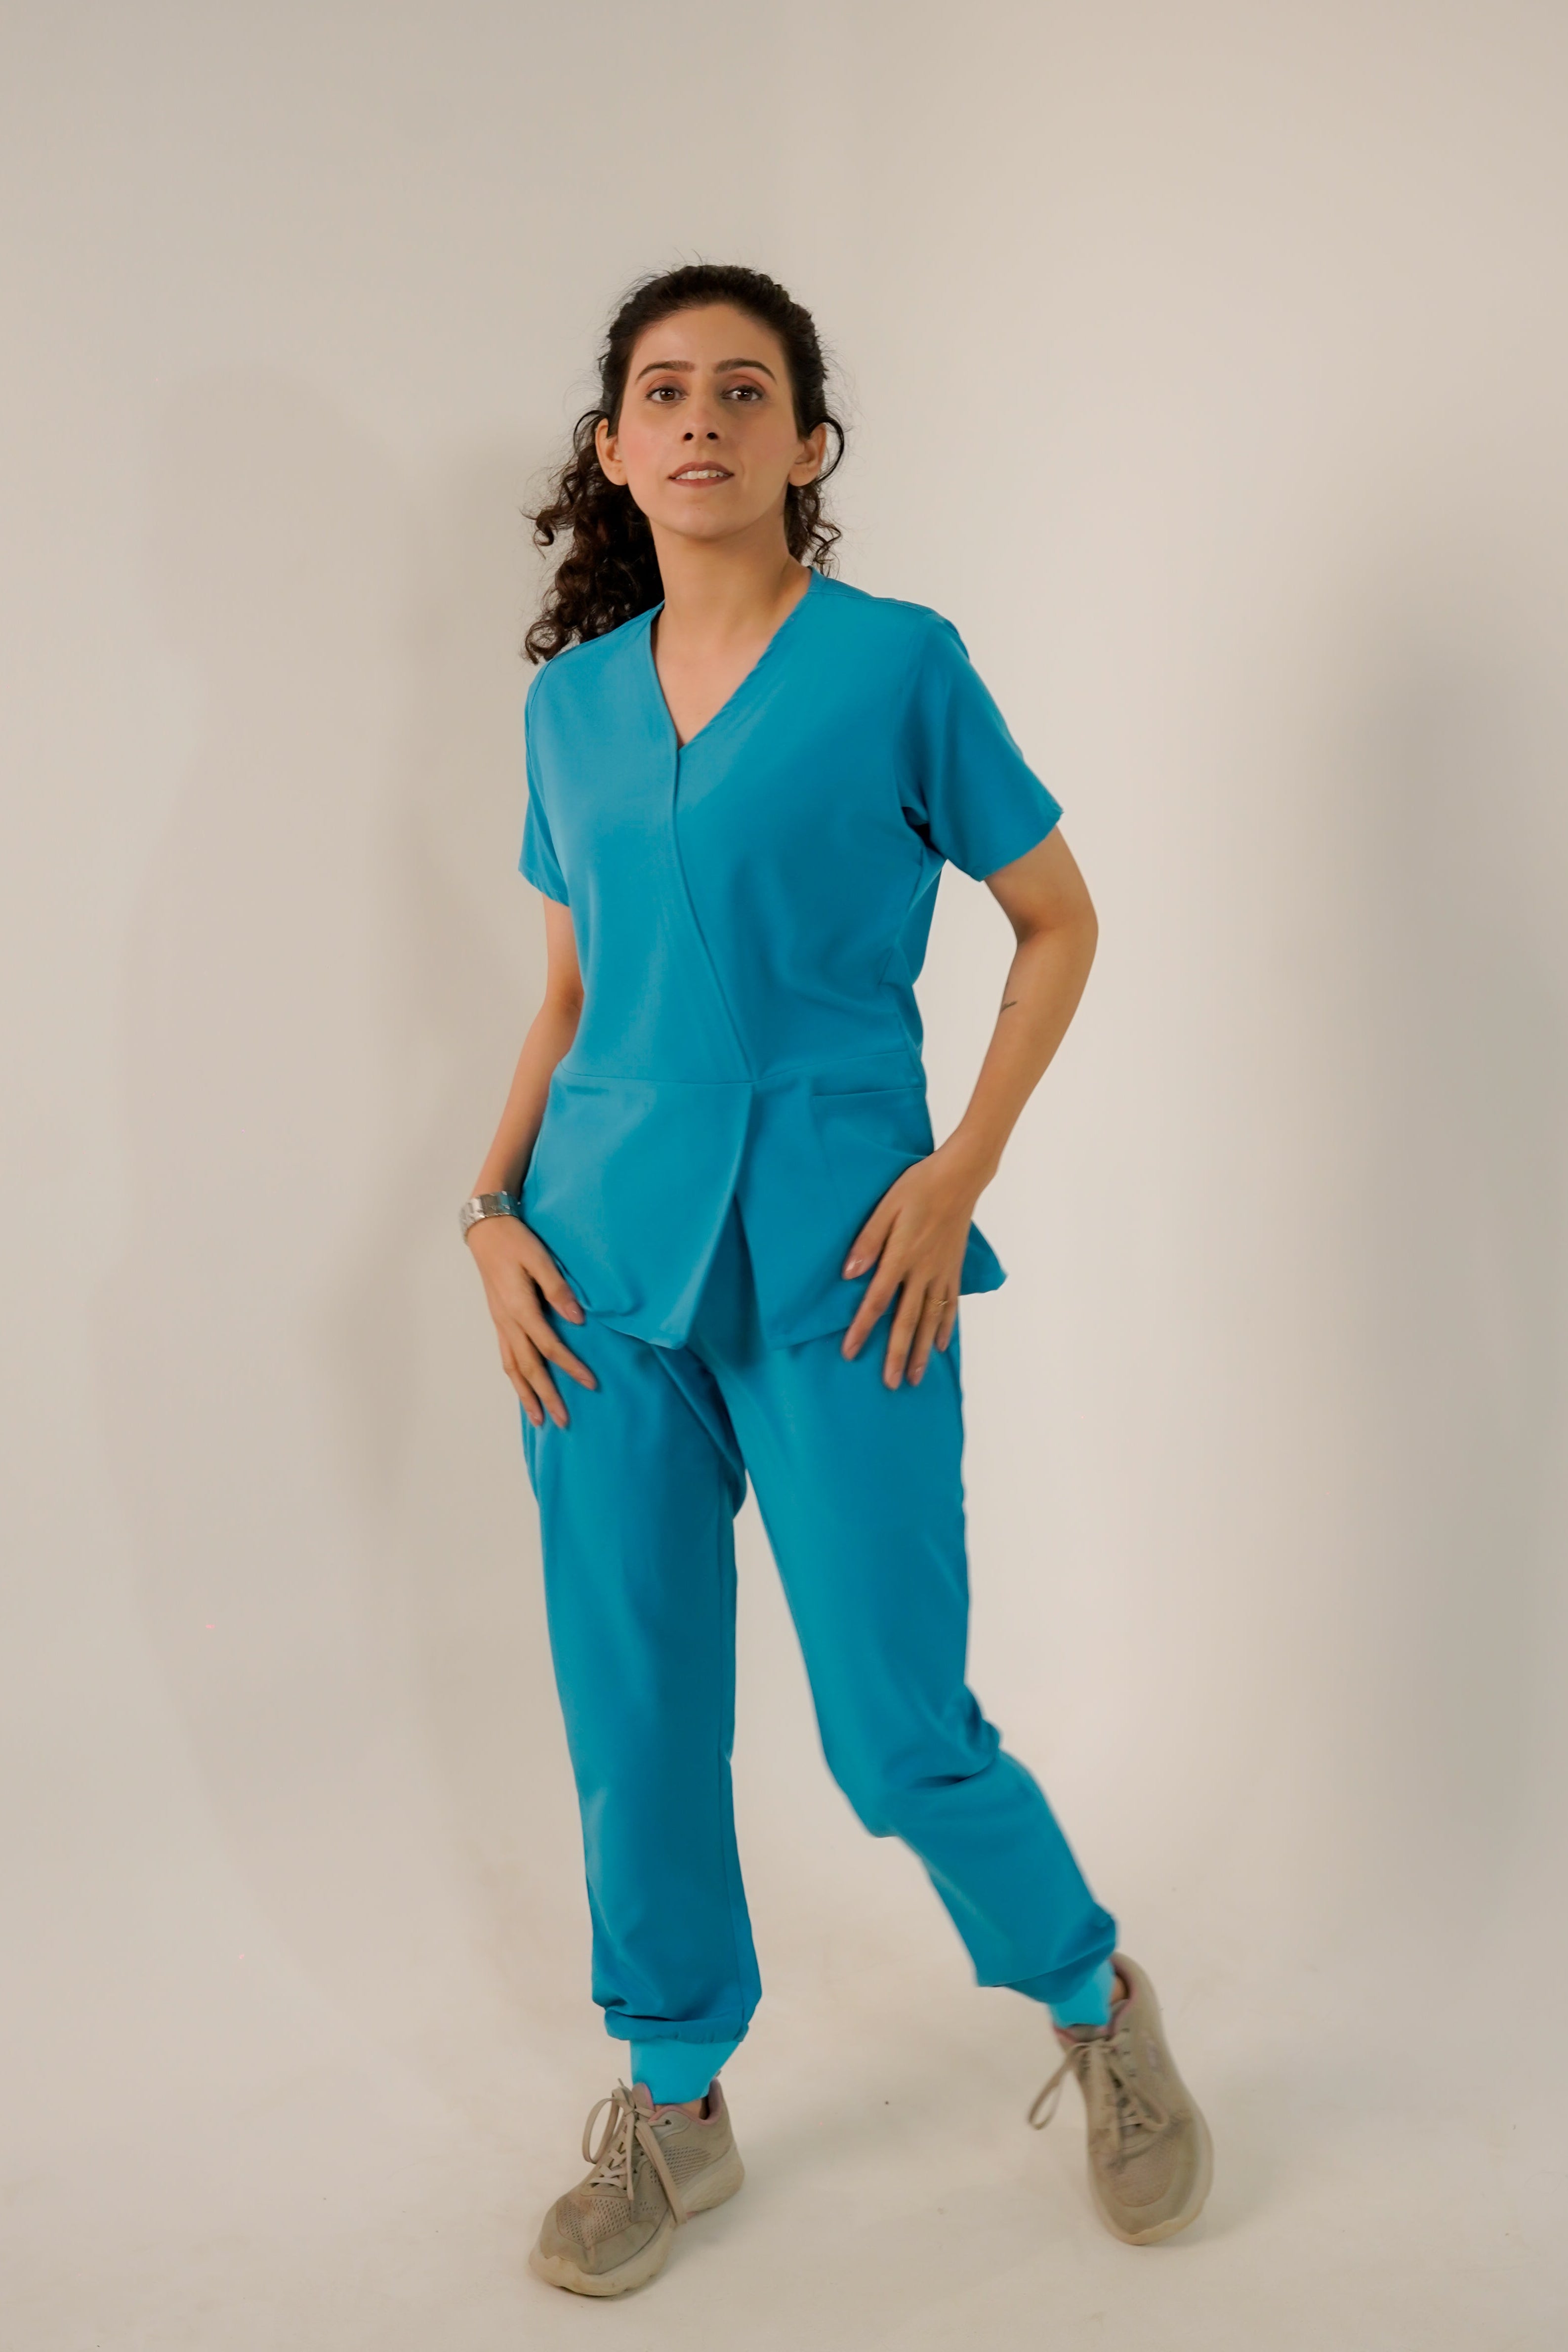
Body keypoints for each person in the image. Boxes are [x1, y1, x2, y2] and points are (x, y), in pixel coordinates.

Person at [463, 262, 1212, 2299]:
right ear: (613, 449)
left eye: (744, 390)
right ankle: (673, 2096)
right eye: (662, 392)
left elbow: (1055, 919)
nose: (700, 420)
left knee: (894, 1732)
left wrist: (959, 1169)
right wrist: (487, 1212)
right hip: (597, 1281)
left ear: (807, 442)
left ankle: (1091, 2000)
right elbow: (567, 995)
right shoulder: (566, 706)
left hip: (843, 1257)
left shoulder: (898, 666)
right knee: (634, 1712)